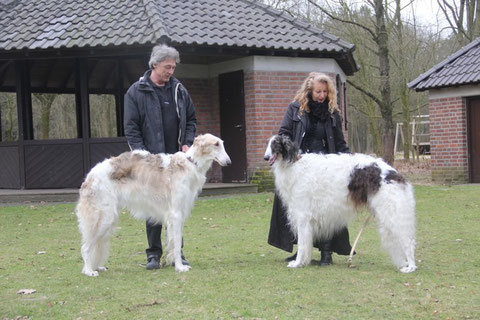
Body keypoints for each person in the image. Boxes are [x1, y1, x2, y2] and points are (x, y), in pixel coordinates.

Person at [268, 72, 353, 265]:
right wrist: (291, 151)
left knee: (327, 209)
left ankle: (326, 252)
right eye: (318, 91)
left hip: (325, 169)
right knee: (299, 210)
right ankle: (301, 251)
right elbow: (284, 134)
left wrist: (349, 160)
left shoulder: (333, 113)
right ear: (309, 90)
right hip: (298, 167)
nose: (321, 95)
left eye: (325, 91)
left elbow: (339, 142)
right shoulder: (295, 109)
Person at [124, 44, 197, 270]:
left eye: (173, 67)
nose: (171, 71)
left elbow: (191, 119)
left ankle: (177, 253)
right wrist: (141, 154)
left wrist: (187, 142)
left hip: (177, 161)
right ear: (154, 65)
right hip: (151, 162)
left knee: (178, 207)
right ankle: (153, 254)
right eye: (167, 67)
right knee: (153, 205)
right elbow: (131, 126)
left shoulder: (179, 90)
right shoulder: (136, 91)